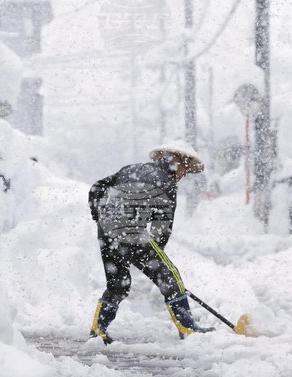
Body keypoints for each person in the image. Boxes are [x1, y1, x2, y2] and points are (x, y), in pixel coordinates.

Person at [88, 140, 215, 344]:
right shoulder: (167, 182)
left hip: (107, 232)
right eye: (185, 169)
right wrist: (155, 260)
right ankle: (187, 328)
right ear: (178, 162)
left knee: (118, 284)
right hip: (132, 233)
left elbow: (97, 187)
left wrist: (100, 216)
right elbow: (162, 228)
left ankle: (98, 328)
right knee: (171, 276)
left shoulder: (132, 169)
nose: (183, 175)